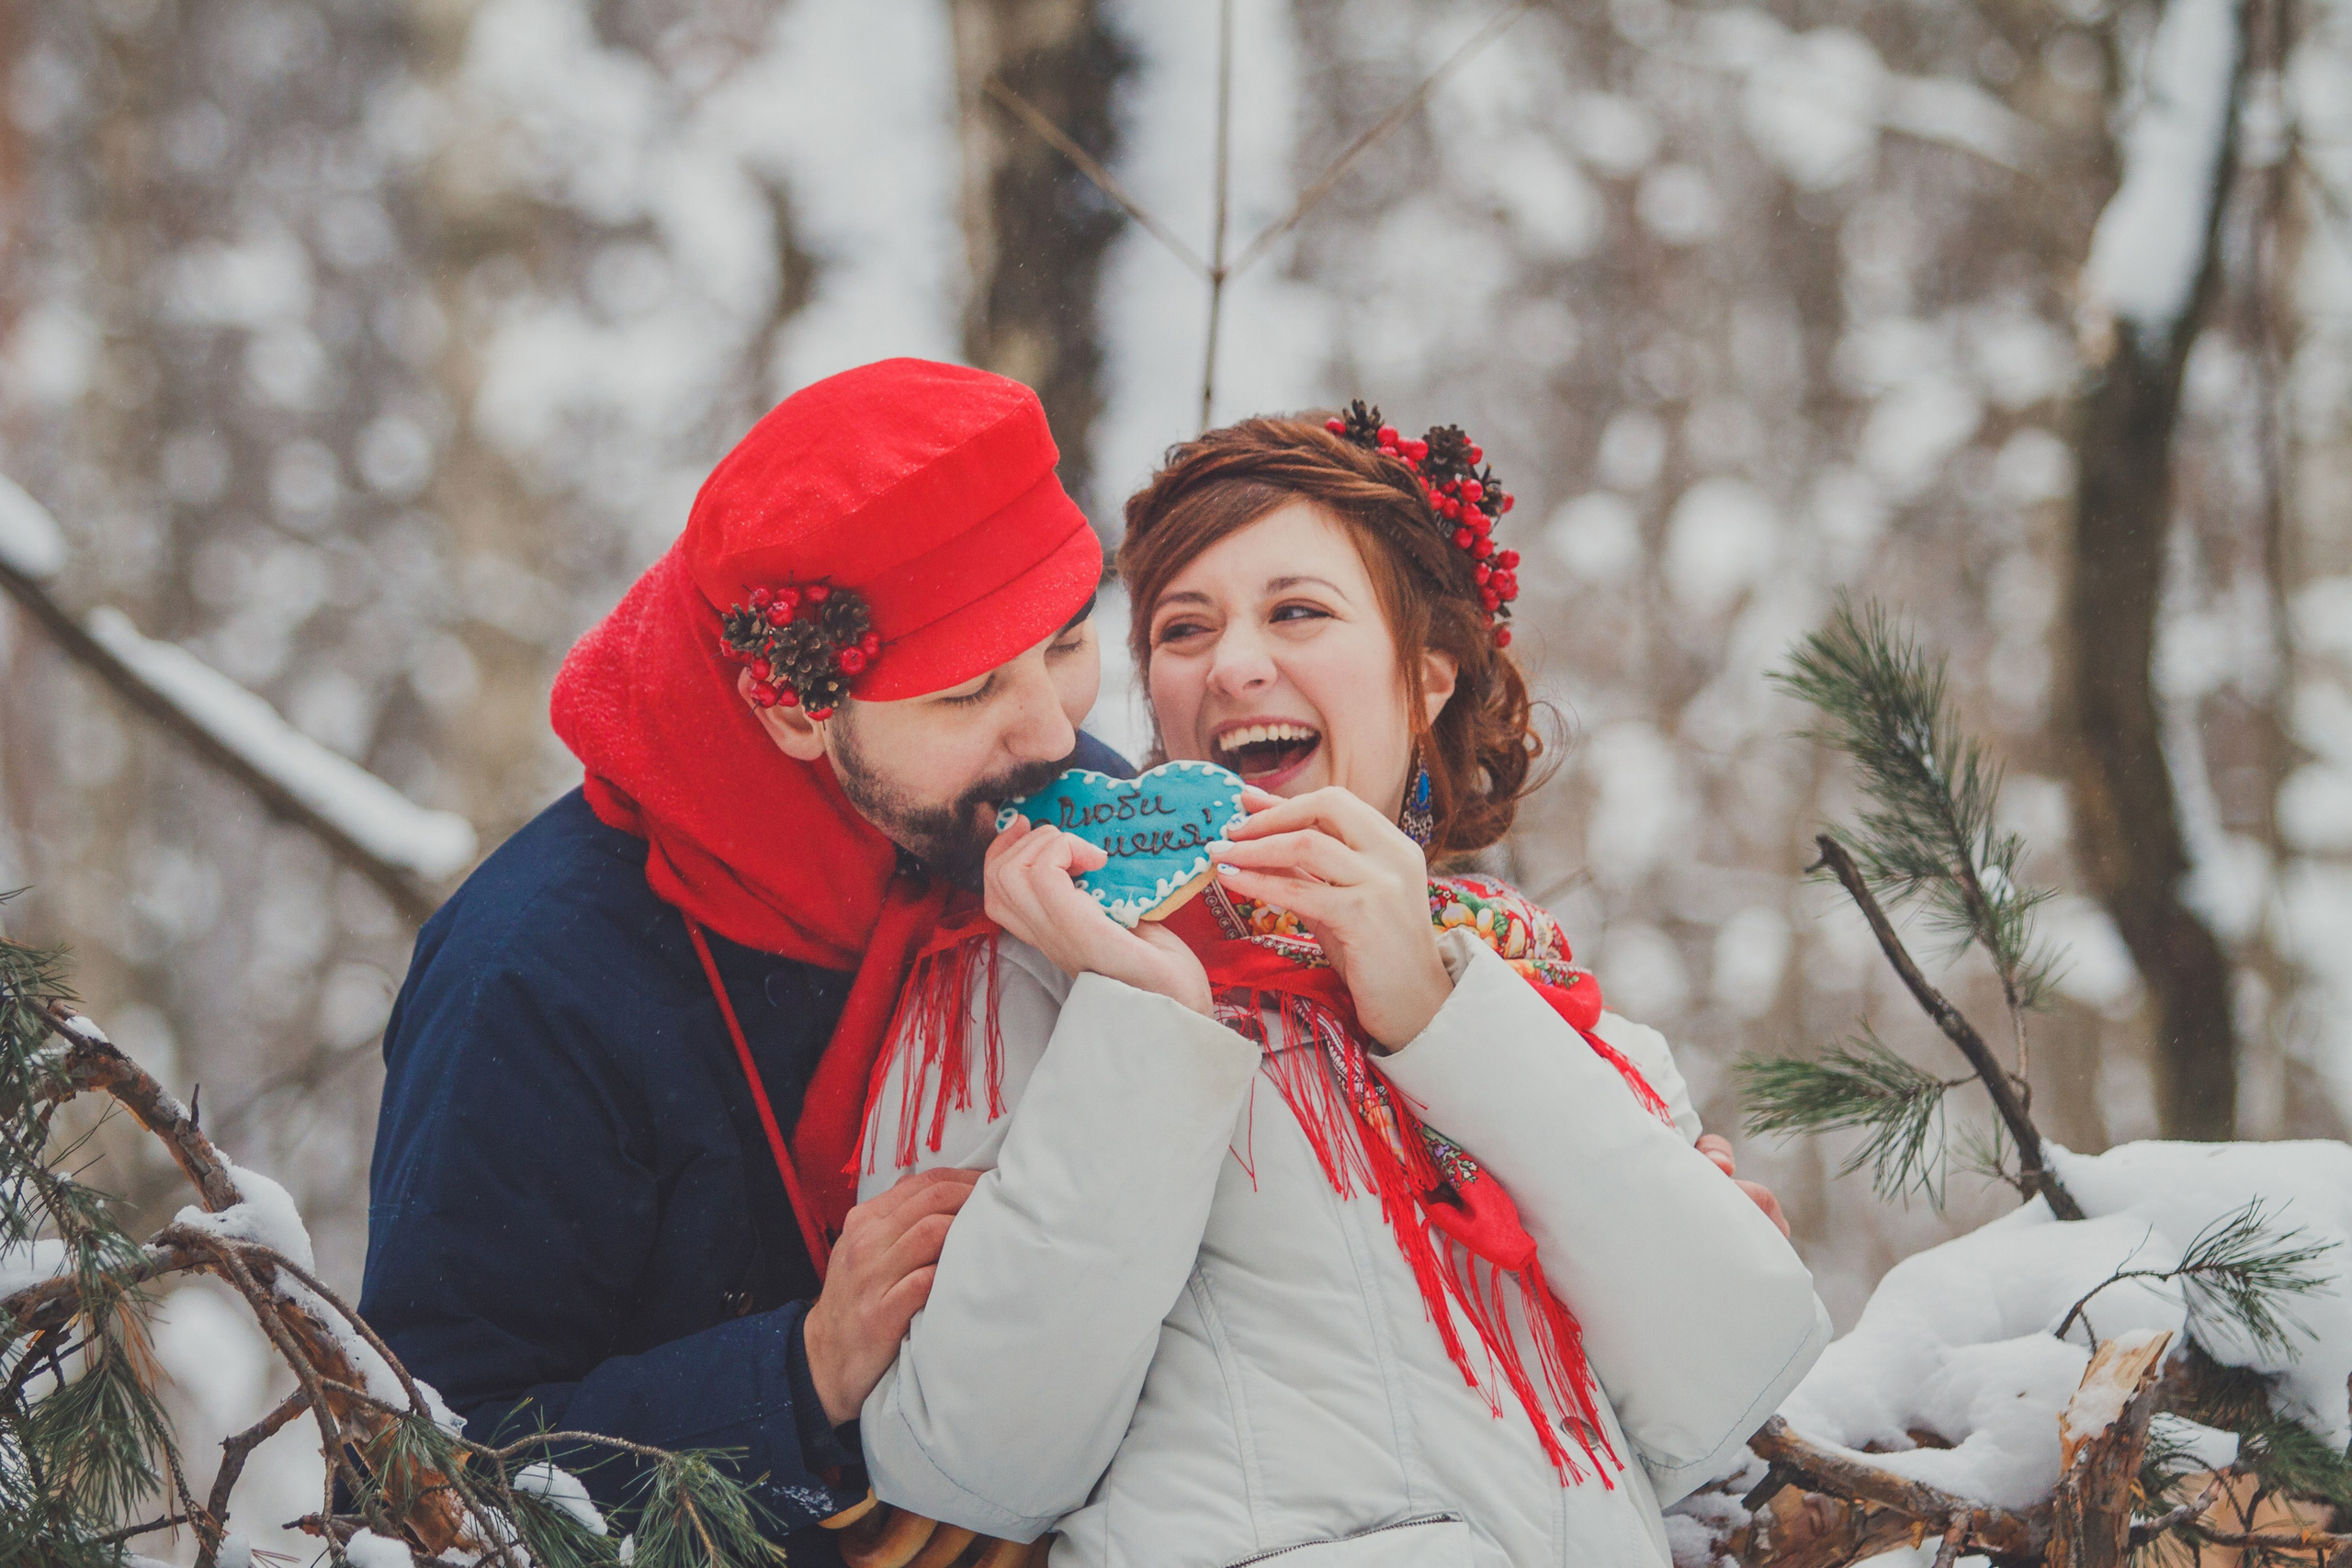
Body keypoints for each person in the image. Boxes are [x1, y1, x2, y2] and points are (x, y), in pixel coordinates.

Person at [850, 407, 1829, 1566]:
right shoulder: (1018, 980)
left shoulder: (1548, 1002)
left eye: (1297, 612)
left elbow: (1729, 1381)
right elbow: (971, 1458)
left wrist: (1436, 1015)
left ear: (1426, 673)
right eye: (1182, 629)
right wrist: (1144, 1029)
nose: (1232, 665)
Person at [357, 358, 1132, 1557]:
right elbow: (423, 1474)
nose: (1052, 728)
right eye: (968, 689)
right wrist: (798, 1371)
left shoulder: (1047, 801)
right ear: (794, 710)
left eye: (1067, 641)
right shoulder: (531, 977)